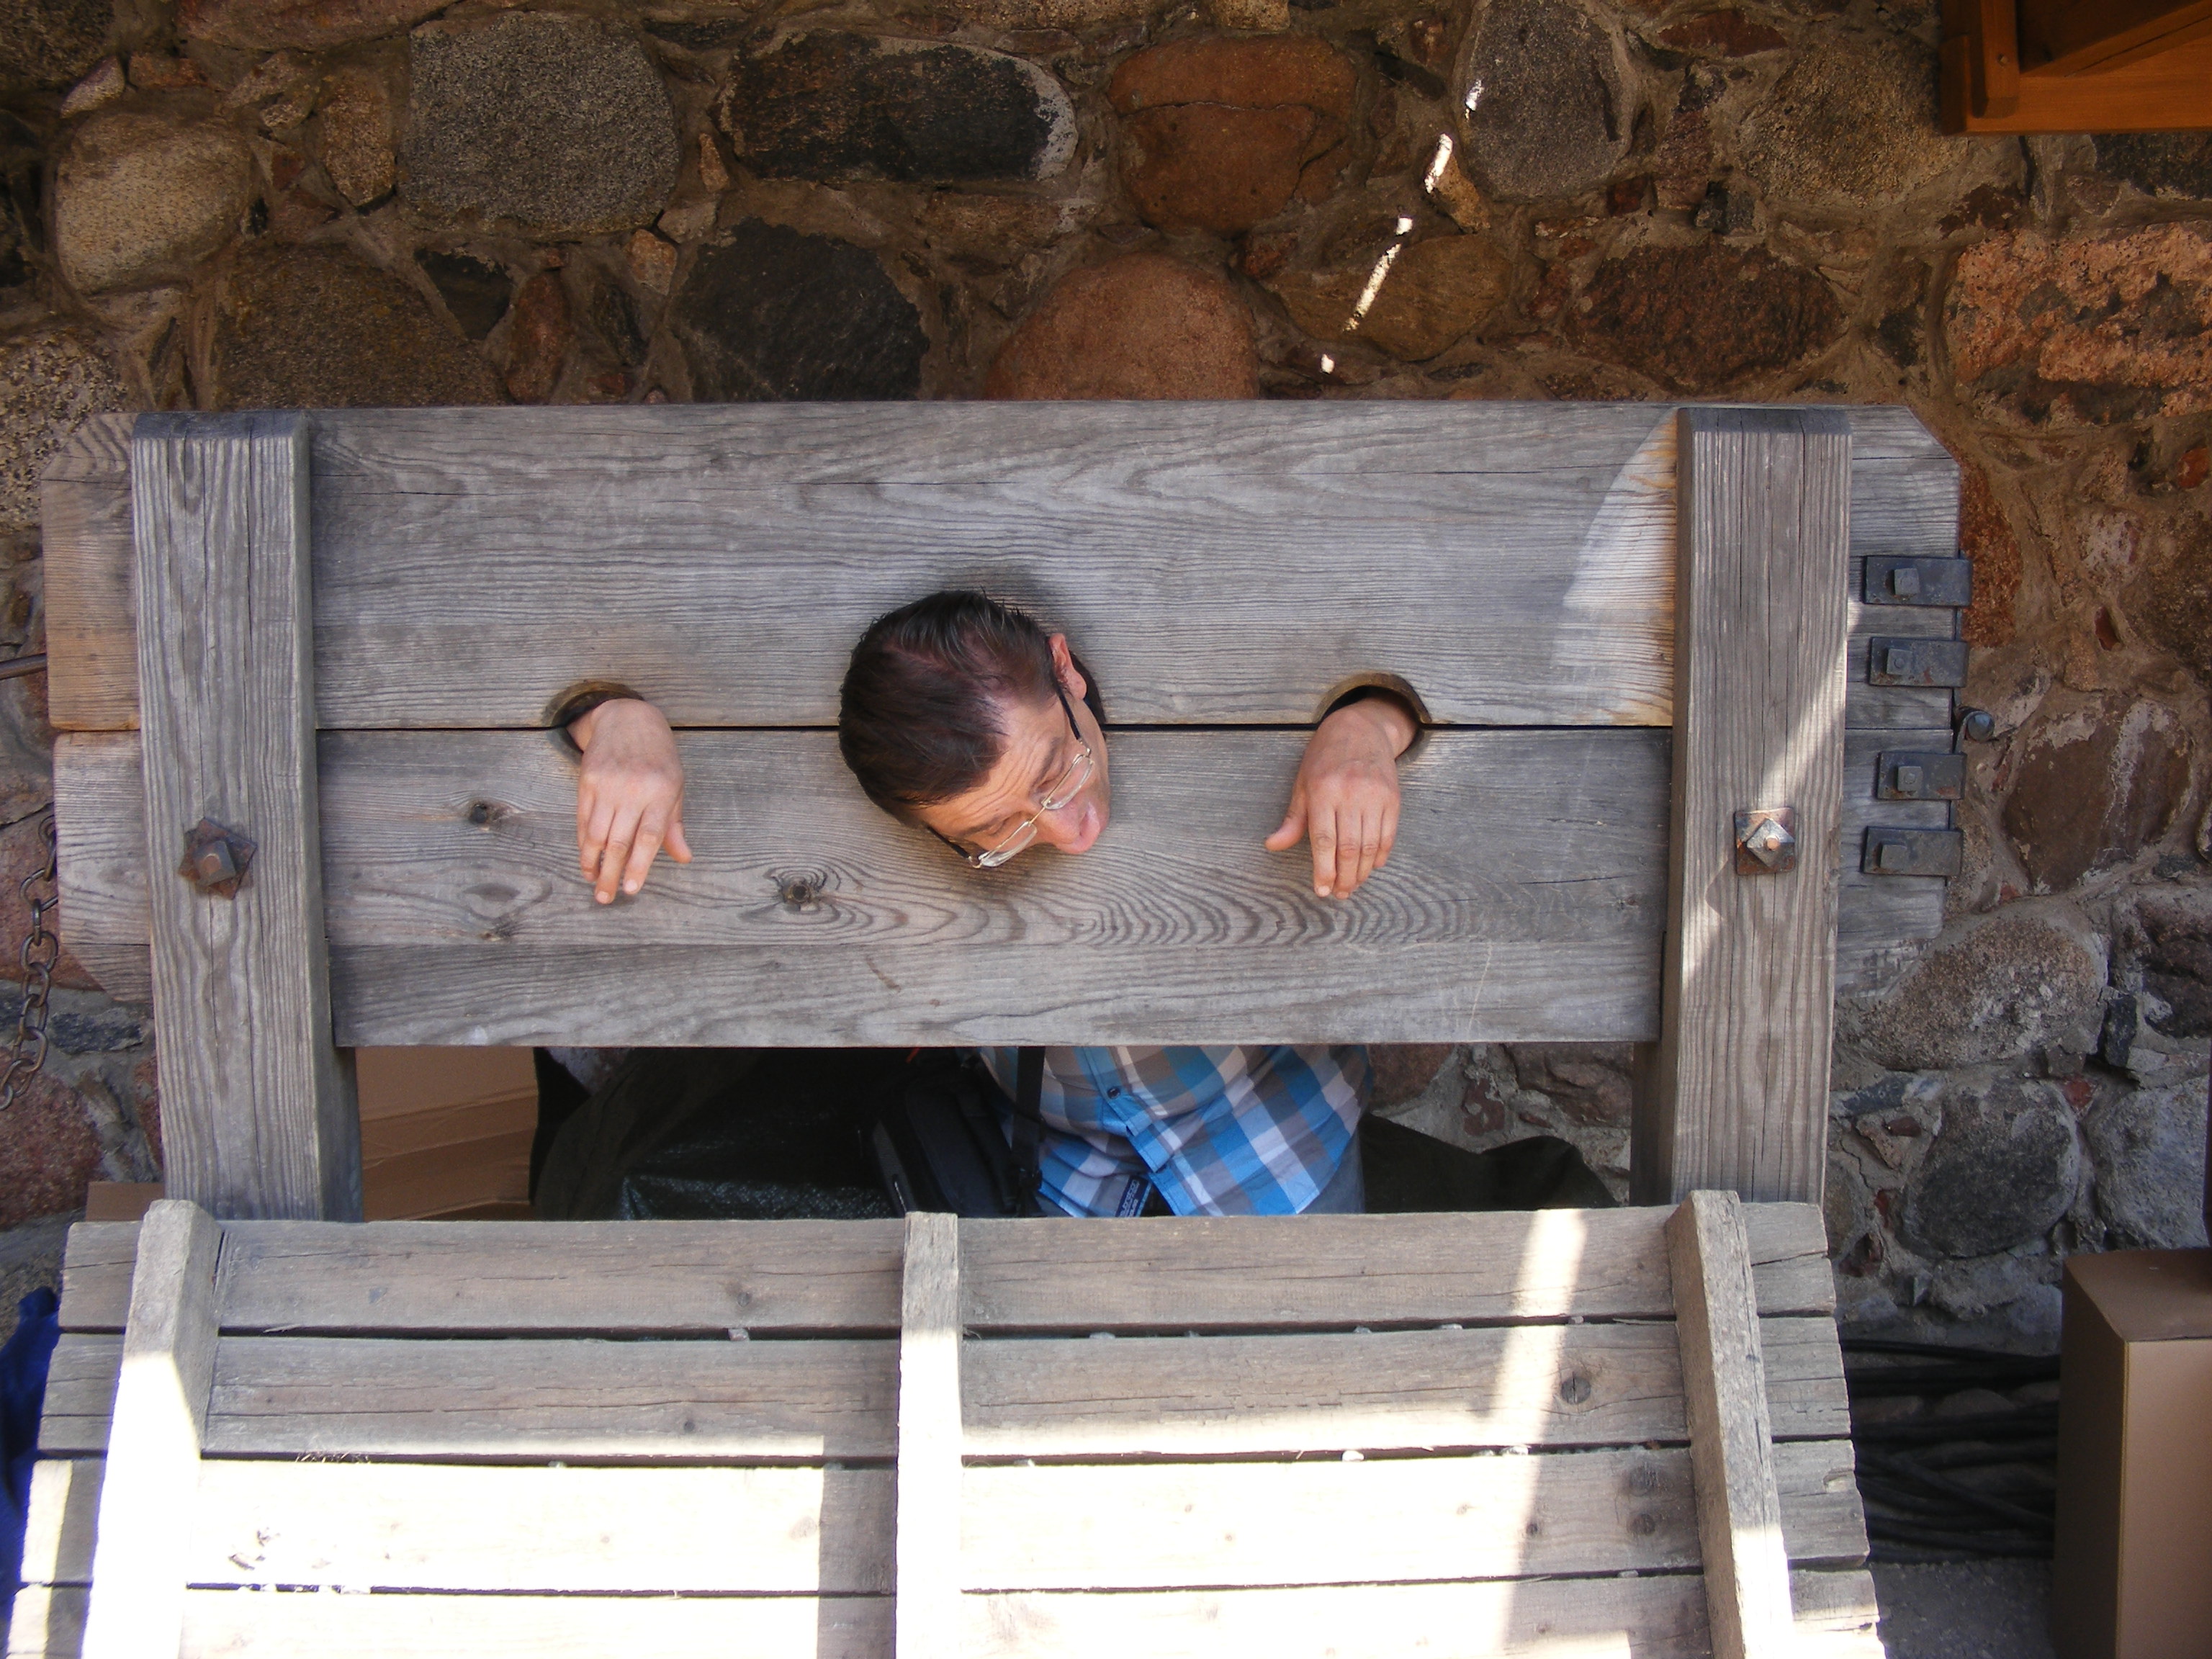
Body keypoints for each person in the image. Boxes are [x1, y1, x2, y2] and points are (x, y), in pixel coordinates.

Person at [564, 590, 1421, 1218]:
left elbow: (1427, 667)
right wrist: (610, 717)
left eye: (1058, 770)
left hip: (1273, 1130)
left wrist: (1372, 723)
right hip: (1058, 1164)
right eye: (998, 833)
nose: (1073, 832)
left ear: (1065, 672)